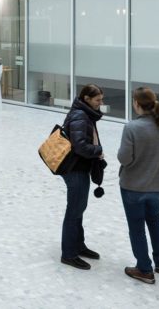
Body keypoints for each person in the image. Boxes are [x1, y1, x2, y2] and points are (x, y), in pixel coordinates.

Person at [118, 87, 159, 284]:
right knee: (155, 220)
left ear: (136, 104)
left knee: (136, 227)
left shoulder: (131, 128)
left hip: (133, 187)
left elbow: (124, 158)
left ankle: (144, 269)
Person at [59, 84, 105, 270]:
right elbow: (80, 146)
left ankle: (78, 245)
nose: (101, 103)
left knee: (79, 208)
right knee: (74, 210)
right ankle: (69, 254)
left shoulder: (85, 113)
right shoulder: (80, 115)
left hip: (79, 167)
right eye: (98, 100)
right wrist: (98, 150)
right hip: (75, 169)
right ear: (87, 99)